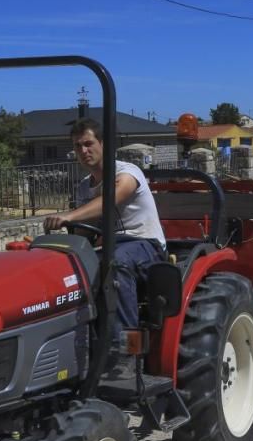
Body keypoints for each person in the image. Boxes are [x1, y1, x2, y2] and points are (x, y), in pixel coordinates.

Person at [44, 118, 165, 373]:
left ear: (102, 143)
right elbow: (83, 234)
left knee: (116, 263)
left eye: (88, 144)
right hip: (109, 246)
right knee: (67, 270)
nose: (83, 151)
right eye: (78, 146)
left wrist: (69, 216)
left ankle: (127, 353)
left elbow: (110, 199)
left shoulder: (128, 172)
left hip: (144, 244)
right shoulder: (84, 187)